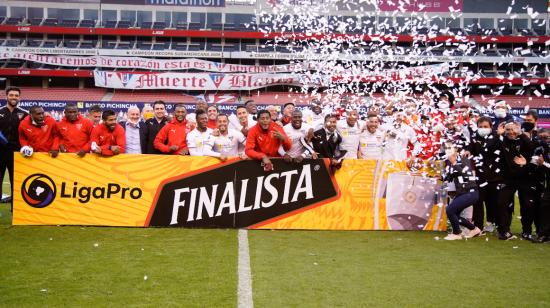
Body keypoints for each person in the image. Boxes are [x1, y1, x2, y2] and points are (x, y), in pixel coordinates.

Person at [495, 121, 536, 240]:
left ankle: (526, 231)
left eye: (513, 129)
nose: (511, 132)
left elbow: (532, 147)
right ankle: (504, 231)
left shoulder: (524, 140)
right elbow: (491, 147)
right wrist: (498, 134)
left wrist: (521, 133)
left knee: (527, 205)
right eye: (508, 129)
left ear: (518, 130)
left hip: (525, 178)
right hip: (507, 179)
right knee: (502, 203)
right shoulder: (502, 141)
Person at [468, 116, 502, 233]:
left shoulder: (497, 138)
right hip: (479, 176)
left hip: (494, 176)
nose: (483, 129)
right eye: (480, 127)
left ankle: (491, 223)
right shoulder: (475, 138)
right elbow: (469, 148)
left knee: (492, 202)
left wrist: (498, 135)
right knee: (478, 201)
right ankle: (478, 226)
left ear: (491, 127)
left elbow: (488, 149)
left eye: (485, 127)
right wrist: (467, 150)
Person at [443, 144, 481, 240]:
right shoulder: (449, 162)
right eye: (446, 148)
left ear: (456, 150)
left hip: (470, 192)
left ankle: (457, 233)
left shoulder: (464, 159)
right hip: (462, 193)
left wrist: (454, 163)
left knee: (450, 210)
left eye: (450, 148)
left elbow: (466, 174)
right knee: (454, 214)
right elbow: (451, 177)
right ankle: (474, 229)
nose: (448, 150)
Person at [0, 86, 28, 204]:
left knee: (15, 180)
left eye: (16, 95)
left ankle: (15, 210)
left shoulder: (24, 114)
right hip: (0, 151)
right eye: (11, 95)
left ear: (19, 98)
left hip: (16, 152)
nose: (14, 97)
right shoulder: (0, 111)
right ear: (6, 96)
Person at [533, 128, 550, 243]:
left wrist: (543, 163)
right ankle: (544, 234)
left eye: (546, 137)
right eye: (541, 138)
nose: (543, 140)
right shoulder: (540, 149)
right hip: (548, 184)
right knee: (545, 206)